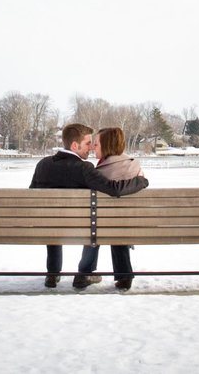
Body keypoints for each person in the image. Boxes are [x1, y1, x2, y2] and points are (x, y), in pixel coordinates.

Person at [29, 123, 148, 288]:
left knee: (53, 220)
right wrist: (141, 181)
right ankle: (90, 273)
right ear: (75, 145)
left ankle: (52, 274)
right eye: (87, 144)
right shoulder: (84, 168)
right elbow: (114, 189)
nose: (91, 148)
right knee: (93, 223)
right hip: (81, 227)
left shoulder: (43, 164)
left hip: (47, 225)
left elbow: (31, 194)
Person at [74, 127, 141, 291]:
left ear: (107, 146)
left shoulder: (97, 172)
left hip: (97, 226)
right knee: (117, 225)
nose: (92, 147)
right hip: (127, 224)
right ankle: (125, 275)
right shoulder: (134, 166)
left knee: (95, 226)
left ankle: (84, 272)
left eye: (96, 144)